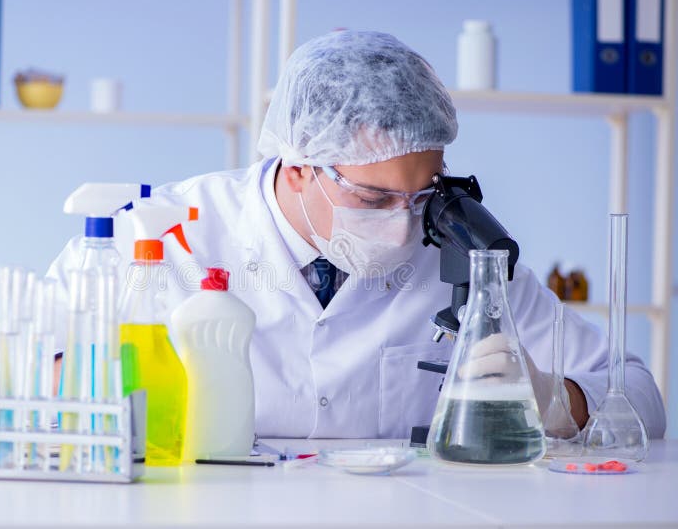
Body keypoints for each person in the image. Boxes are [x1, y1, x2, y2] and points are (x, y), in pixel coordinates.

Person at [47, 30, 666, 439]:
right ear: (298, 166)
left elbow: (642, 396)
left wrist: (554, 399)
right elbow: (25, 363)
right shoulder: (161, 232)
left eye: (421, 193)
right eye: (373, 198)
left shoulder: (459, 252)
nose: (402, 224)